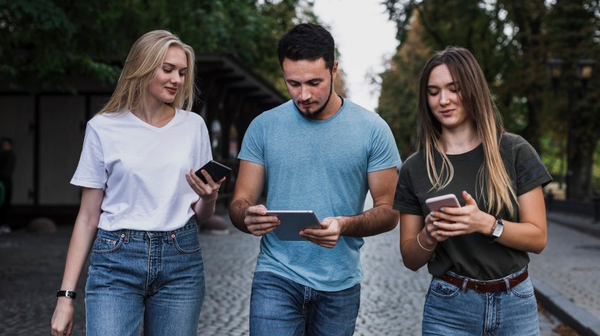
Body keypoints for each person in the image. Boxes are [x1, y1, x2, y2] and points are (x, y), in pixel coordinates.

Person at [229, 23, 401, 336]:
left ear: (334, 69)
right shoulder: (263, 127)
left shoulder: (372, 129)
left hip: (340, 284)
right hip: (275, 276)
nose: (304, 94)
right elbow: (240, 203)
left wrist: (345, 225)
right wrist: (246, 216)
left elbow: (389, 211)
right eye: (293, 83)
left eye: (314, 82)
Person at [50, 30, 223, 336]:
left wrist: (209, 198)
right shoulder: (103, 128)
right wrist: (65, 297)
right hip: (116, 259)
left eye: (182, 72)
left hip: (180, 260)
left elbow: (202, 214)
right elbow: (88, 217)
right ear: (141, 68)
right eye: (167, 69)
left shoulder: (193, 126)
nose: (177, 80)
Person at [394, 46, 552, 335]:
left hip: (516, 304)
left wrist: (487, 224)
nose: (443, 100)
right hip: (449, 308)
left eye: (453, 88)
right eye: (433, 92)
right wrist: (429, 236)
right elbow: (410, 258)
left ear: (473, 89)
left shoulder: (514, 151)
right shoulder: (414, 168)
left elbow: (538, 238)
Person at [0, 137, 16, 233]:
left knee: (4, 203)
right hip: (4, 181)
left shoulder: (9, 156)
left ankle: (4, 223)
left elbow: (5, 171)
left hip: (5, 181)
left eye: (6, 145)